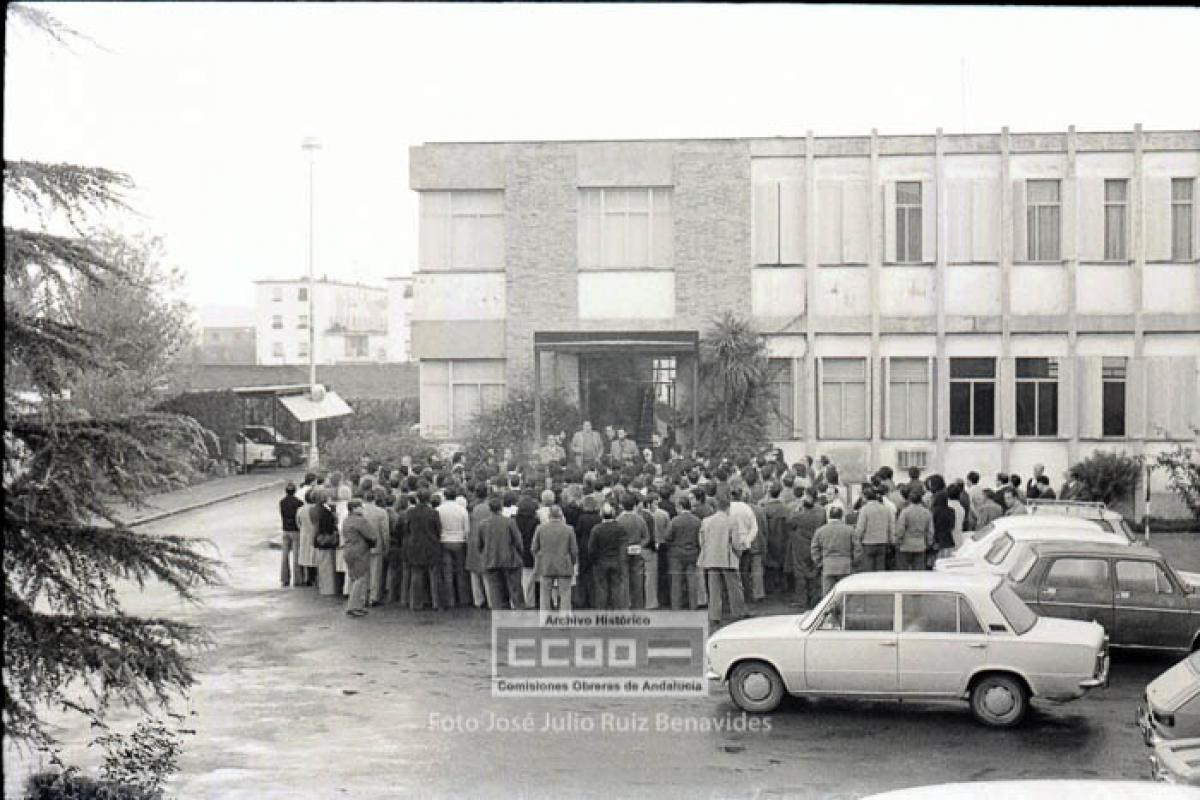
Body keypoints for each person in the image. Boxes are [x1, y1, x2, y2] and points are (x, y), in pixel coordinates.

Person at [698, 492, 746, 624]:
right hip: (727, 557)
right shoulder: (732, 521)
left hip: (711, 557)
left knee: (714, 588)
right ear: (728, 507)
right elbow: (736, 542)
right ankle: (738, 612)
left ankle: (715, 615)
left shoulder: (706, 521)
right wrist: (739, 552)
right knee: (734, 586)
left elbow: (702, 541)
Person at [479, 495, 525, 609]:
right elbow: (518, 541)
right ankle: (519, 611)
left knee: (496, 590)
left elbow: (479, 544)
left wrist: (485, 554)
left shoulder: (483, 524)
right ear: (501, 508)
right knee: (515, 589)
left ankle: (500, 612)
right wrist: (520, 553)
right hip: (510, 559)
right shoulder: (509, 522)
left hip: (491, 559)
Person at [531, 505, 578, 613]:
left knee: (545, 594)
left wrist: (540, 559)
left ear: (549, 515)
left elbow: (534, 548)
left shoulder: (540, 528)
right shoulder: (569, 529)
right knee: (565, 594)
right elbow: (574, 550)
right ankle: (564, 618)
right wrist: (573, 562)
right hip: (564, 564)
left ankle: (545, 618)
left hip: (546, 565)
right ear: (561, 515)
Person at [406, 489, 443, 611]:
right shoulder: (433, 513)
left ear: (417, 498)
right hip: (431, 545)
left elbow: (407, 529)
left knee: (416, 575)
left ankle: (416, 603)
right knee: (434, 576)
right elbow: (439, 530)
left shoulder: (410, 513)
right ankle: (436, 603)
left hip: (415, 545)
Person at [811, 506, 861, 596]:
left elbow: (814, 548)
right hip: (845, 565)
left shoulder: (820, 530)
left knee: (828, 594)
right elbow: (857, 548)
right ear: (841, 516)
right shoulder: (850, 530)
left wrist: (819, 562)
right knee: (845, 593)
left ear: (829, 516)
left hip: (828, 565)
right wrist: (854, 561)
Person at [664, 496, 702, 610]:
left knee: (676, 581)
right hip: (693, 553)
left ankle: (676, 607)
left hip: (676, 554)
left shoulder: (675, 520)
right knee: (692, 581)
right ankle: (693, 606)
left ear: (680, 506)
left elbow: (667, 536)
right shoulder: (697, 521)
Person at [588, 504, 629, 610]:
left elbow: (591, 549)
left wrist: (594, 561)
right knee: (616, 588)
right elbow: (624, 546)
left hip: (601, 562)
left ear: (601, 514)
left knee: (602, 589)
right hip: (616, 561)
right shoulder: (620, 528)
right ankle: (617, 612)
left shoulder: (596, 529)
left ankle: (602, 612)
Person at [787, 493, 824, 609]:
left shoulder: (799, 516)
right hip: (815, 545)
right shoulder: (820, 515)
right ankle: (814, 598)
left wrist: (797, 510)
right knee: (814, 572)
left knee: (800, 574)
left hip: (800, 547)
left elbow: (789, 523)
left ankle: (802, 600)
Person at [341, 499, 377, 617]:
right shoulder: (360, 521)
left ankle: (357, 605)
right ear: (354, 508)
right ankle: (354, 606)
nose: (362, 508)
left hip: (348, 550)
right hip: (359, 551)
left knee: (353, 577)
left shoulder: (346, 520)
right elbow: (372, 536)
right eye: (360, 506)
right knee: (360, 578)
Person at [437, 486, 471, 608]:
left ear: (445, 496)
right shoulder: (462, 510)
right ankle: (463, 598)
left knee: (447, 572)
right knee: (461, 571)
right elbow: (467, 529)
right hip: (459, 541)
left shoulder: (439, 510)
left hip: (444, 540)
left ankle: (450, 599)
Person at [616, 494, 650, 609]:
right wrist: (639, 546)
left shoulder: (618, 520)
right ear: (634, 505)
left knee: (623, 579)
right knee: (638, 579)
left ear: (622, 505)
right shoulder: (640, 520)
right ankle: (638, 605)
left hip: (622, 552)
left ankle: (625, 605)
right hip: (637, 551)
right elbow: (646, 537)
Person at [854, 486, 894, 572]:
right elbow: (890, 526)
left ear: (866, 497)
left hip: (868, 543)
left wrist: (857, 539)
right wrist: (891, 540)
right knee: (880, 567)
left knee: (868, 569)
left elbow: (860, 527)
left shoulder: (864, 509)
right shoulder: (885, 509)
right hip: (882, 542)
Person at [572, 495, 602, 609]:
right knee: (594, 575)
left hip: (583, 548)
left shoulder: (582, 518)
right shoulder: (598, 518)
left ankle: (582, 600)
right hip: (596, 548)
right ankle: (594, 600)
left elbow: (577, 532)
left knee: (583, 574)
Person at [894, 488, 933, 571]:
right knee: (918, 572)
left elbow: (901, 529)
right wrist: (929, 543)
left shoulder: (905, 512)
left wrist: (898, 540)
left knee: (903, 570)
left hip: (905, 544)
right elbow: (930, 531)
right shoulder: (927, 512)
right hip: (920, 544)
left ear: (910, 499)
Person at [364, 488, 391, 605]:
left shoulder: (360, 511)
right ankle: (373, 597)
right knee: (376, 573)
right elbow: (385, 531)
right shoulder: (381, 512)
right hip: (377, 545)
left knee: (364, 572)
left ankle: (363, 595)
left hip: (362, 546)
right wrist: (386, 546)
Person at [515, 493, 541, 609]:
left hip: (517, 551)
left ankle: (519, 600)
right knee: (529, 579)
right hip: (530, 552)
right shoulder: (535, 521)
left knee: (519, 579)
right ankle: (529, 601)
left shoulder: (514, 520)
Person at [312, 489, 340, 596]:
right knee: (328, 566)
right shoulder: (326, 512)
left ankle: (324, 588)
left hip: (320, 540)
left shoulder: (317, 510)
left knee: (323, 565)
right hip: (326, 540)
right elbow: (329, 527)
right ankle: (328, 589)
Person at [278, 482, 304, 588]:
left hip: (285, 529)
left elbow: (282, 515)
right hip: (295, 530)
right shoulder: (299, 503)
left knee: (284, 555)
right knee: (296, 555)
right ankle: (298, 579)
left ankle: (285, 578)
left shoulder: (282, 502)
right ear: (295, 491)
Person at [930, 491, 957, 563]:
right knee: (948, 561)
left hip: (937, 540)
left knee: (937, 562)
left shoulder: (934, 511)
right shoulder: (952, 511)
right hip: (949, 539)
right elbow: (952, 526)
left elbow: (932, 527)